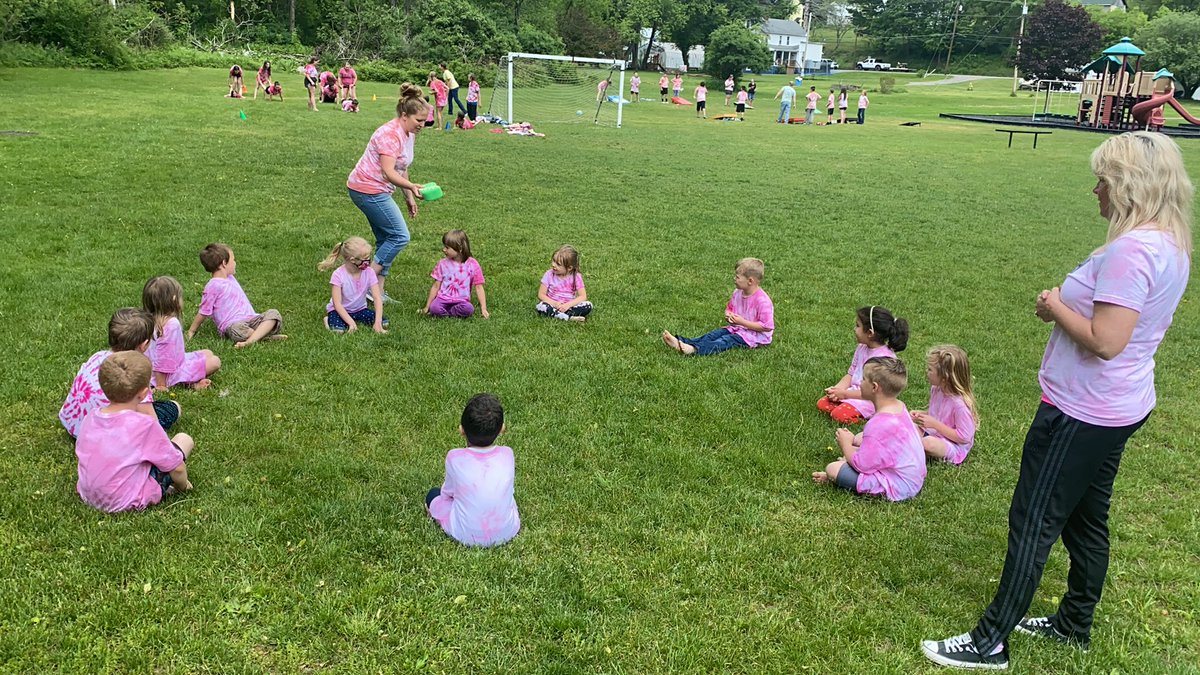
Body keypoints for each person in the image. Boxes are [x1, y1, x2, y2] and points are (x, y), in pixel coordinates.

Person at [922, 132, 1193, 670]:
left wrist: (1053, 304)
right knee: (1086, 518)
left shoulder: (1133, 251)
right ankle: (1073, 623)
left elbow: (1106, 340)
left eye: (1104, 180)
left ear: (1130, 186)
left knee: (1034, 518)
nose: (1095, 190)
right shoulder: (1169, 243)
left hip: (1082, 412)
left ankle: (989, 642)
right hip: (1119, 407)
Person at [74, 351, 196, 513]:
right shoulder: (144, 425)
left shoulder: (90, 417)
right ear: (144, 393)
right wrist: (183, 487)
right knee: (184, 439)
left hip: (88, 495)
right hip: (126, 501)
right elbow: (177, 468)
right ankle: (157, 489)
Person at [346, 83, 432, 301]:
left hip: (378, 189)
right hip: (366, 189)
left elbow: (403, 167)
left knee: (386, 239)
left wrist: (409, 198)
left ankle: (377, 293)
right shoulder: (390, 134)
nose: (422, 125)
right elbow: (388, 172)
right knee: (400, 236)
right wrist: (411, 186)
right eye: (418, 120)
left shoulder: (408, 133)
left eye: (424, 121)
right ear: (404, 115)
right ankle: (363, 283)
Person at [812, 357, 925, 502]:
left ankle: (841, 472)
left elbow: (862, 465)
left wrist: (845, 444)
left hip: (899, 486)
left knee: (832, 469)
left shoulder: (878, 425)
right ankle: (846, 463)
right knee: (860, 438)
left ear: (874, 387)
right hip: (912, 477)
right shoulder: (899, 406)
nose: (859, 382)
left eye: (864, 379)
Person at [59, 308, 181, 439]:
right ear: (144, 344)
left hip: (74, 425)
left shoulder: (97, 357)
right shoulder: (136, 372)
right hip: (105, 436)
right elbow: (152, 422)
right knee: (173, 407)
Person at [426, 393, 520, 547]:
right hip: (507, 530)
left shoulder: (454, 458)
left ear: (461, 430)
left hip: (465, 534)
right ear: (502, 429)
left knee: (433, 495)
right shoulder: (507, 454)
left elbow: (447, 494)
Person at [662, 258, 774, 356]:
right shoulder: (738, 292)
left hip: (754, 337)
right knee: (713, 335)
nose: (734, 279)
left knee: (725, 341)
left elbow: (767, 326)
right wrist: (728, 314)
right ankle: (681, 342)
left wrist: (742, 322)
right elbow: (730, 308)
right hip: (737, 328)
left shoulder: (762, 301)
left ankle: (694, 350)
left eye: (737, 277)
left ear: (750, 281)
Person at [819, 306, 910, 424]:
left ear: (870, 333)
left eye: (857, 326)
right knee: (822, 404)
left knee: (838, 415)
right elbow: (851, 373)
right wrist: (838, 389)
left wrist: (845, 394)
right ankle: (848, 406)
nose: (854, 329)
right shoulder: (861, 348)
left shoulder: (883, 359)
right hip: (853, 394)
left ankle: (871, 418)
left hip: (869, 400)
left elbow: (873, 392)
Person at [188, 243, 286, 349]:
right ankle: (258, 338)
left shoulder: (230, 277)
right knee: (237, 330)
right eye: (233, 260)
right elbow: (203, 312)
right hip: (233, 325)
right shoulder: (213, 286)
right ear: (224, 263)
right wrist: (191, 331)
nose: (235, 263)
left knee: (274, 314)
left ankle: (255, 338)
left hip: (252, 319)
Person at [142, 276, 221, 390]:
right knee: (215, 362)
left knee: (207, 353)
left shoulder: (146, 320)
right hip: (167, 373)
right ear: (174, 299)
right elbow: (164, 357)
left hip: (152, 369)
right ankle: (188, 384)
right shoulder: (171, 324)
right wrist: (161, 386)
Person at [911, 345, 978, 465]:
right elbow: (939, 414)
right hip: (933, 432)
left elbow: (964, 437)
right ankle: (911, 445)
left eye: (930, 370)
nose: (927, 372)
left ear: (944, 377)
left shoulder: (960, 405)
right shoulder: (936, 389)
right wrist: (922, 415)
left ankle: (908, 449)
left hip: (953, 445)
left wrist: (935, 424)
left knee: (928, 443)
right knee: (905, 426)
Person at [318, 236, 387, 334]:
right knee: (338, 331)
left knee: (385, 323)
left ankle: (356, 320)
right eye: (365, 259)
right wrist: (351, 323)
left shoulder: (369, 272)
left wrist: (378, 322)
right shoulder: (338, 275)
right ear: (353, 260)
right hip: (339, 310)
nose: (368, 261)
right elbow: (337, 304)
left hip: (360, 309)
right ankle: (327, 320)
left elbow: (377, 298)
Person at [420, 229, 489, 319]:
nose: (443, 249)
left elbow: (479, 287)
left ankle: (448, 313)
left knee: (469, 309)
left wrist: (484, 309)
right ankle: (450, 313)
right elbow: (436, 286)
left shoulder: (472, 264)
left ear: (460, 248)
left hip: (461, 301)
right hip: (442, 299)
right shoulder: (442, 264)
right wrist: (427, 307)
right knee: (434, 308)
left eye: (447, 247)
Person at [537, 245, 592, 322]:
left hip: (568, 306)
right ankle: (568, 317)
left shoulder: (576, 277)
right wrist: (555, 304)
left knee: (588, 305)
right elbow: (541, 294)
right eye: (553, 261)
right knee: (541, 306)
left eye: (558, 264)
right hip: (552, 305)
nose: (553, 265)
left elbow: (583, 296)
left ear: (569, 268)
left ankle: (560, 315)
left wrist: (567, 305)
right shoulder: (549, 274)